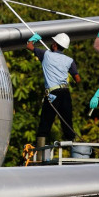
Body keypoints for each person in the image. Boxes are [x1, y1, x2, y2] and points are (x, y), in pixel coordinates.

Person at [26, 32, 81, 160]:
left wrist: (33, 39)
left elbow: (29, 46)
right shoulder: (69, 60)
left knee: (45, 124)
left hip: (52, 94)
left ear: (55, 45)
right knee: (67, 123)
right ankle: (75, 152)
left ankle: (39, 155)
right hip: (65, 93)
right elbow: (78, 79)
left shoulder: (45, 54)